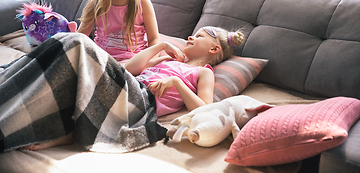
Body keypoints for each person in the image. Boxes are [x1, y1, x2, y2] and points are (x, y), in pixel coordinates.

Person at [18, 26, 244, 151]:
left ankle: (65, 135)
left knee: (80, 50)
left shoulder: (203, 72)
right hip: (128, 84)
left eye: (200, 35)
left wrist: (177, 83)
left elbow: (205, 108)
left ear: (214, 48)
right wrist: (162, 46)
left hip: (142, 100)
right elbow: (129, 68)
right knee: (72, 64)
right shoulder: (169, 60)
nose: (190, 36)